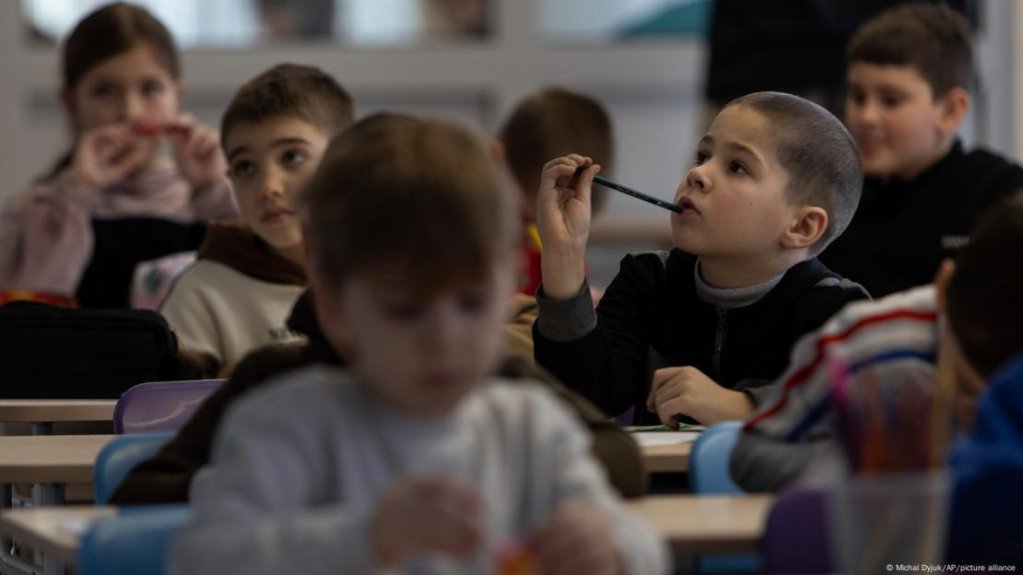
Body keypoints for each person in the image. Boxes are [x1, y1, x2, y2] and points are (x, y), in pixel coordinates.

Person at [169, 114, 668, 574]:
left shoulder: (531, 427)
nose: (444, 337)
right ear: (336, 309)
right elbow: (200, 558)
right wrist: (365, 538)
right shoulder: (286, 425)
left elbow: (646, 549)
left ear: (507, 292)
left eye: (472, 303)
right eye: (406, 310)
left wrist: (613, 549)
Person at [533, 91, 868, 426]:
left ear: (802, 226)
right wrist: (565, 254)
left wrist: (740, 406)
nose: (698, 174)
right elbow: (583, 398)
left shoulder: (836, 308)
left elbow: (853, 406)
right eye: (702, 156)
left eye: (737, 166)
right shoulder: (648, 279)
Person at [732, 191, 1023, 492]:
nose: (979, 408)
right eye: (967, 384)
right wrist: (868, 476)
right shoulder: (869, 343)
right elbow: (752, 452)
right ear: (944, 287)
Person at [0, 2, 237, 308]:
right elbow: (26, 319)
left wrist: (212, 191)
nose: (131, 112)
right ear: (71, 103)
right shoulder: (36, 213)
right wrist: (78, 192)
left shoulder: (210, 203)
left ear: (177, 96)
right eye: (105, 91)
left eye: (151, 88)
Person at [159, 63, 354, 377]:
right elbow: (169, 410)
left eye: (292, 157)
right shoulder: (204, 291)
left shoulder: (382, 276)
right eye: (246, 167)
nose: (268, 188)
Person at [820, 3, 1023, 297]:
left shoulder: (999, 194)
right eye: (858, 96)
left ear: (951, 111)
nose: (866, 117)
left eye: (890, 100)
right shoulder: (829, 194)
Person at [495, 86, 614, 296]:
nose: (528, 237)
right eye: (526, 219)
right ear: (497, 158)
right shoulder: (467, 242)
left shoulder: (557, 246)